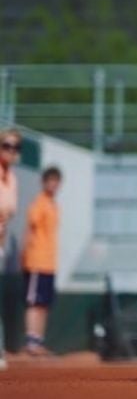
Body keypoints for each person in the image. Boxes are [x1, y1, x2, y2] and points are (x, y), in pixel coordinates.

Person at [21, 166, 62, 356]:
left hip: (49, 263)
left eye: (56, 181)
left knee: (44, 305)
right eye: (50, 180)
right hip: (36, 261)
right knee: (34, 304)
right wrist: (26, 255)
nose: (53, 184)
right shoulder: (39, 203)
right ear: (44, 182)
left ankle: (39, 341)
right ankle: (31, 342)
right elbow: (30, 230)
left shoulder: (54, 205)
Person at [0, 128, 22, 370]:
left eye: (15, 147)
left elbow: (8, 213)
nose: (11, 151)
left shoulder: (12, 179)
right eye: (6, 145)